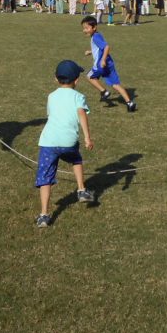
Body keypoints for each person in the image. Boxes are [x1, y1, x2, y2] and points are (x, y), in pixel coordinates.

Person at [34, 60, 96, 227]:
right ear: (76, 80)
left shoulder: (51, 96)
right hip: (69, 142)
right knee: (76, 159)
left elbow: (50, 115)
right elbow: (82, 115)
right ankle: (82, 190)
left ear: (56, 79)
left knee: (45, 178)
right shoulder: (79, 97)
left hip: (48, 142)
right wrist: (87, 137)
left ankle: (44, 215)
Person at [81, 15, 136, 112]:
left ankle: (104, 92)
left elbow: (106, 47)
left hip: (101, 64)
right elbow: (100, 48)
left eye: (86, 28)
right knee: (115, 84)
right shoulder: (98, 35)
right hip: (109, 64)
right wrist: (91, 52)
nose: (84, 30)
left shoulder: (95, 38)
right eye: (83, 28)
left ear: (94, 27)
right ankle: (129, 103)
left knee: (89, 77)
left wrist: (102, 60)